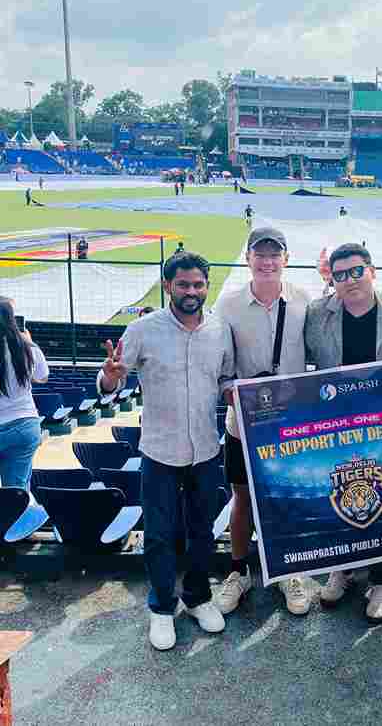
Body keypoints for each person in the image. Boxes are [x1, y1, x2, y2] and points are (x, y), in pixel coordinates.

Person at [98, 252, 235, 651]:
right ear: (168, 286)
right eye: (183, 284)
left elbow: (225, 377)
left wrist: (233, 390)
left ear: (206, 286)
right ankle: (161, 607)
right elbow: (111, 379)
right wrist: (109, 379)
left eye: (198, 284)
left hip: (205, 450)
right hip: (159, 451)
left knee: (202, 531)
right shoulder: (142, 329)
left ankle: (197, 598)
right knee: (159, 535)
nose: (191, 291)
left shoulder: (220, 329)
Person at [306, 243, 382, 624]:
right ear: (331, 279)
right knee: (340, 496)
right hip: (337, 425)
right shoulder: (316, 314)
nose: (350, 280)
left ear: (372, 270)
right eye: (340, 274)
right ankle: (342, 567)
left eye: (357, 271)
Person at [213, 227, 313, 618]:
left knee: (289, 497)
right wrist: (229, 391)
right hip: (244, 423)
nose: (267, 261)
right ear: (249, 258)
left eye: (274, 254)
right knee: (242, 498)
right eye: (260, 254)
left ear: (286, 259)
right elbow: (221, 366)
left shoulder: (304, 300)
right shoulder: (228, 304)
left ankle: (290, 571)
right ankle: (238, 572)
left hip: (290, 423)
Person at [0, 298, 48, 490]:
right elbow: (42, 377)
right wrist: (28, 341)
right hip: (24, 425)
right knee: (16, 494)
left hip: (20, 425)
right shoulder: (27, 347)